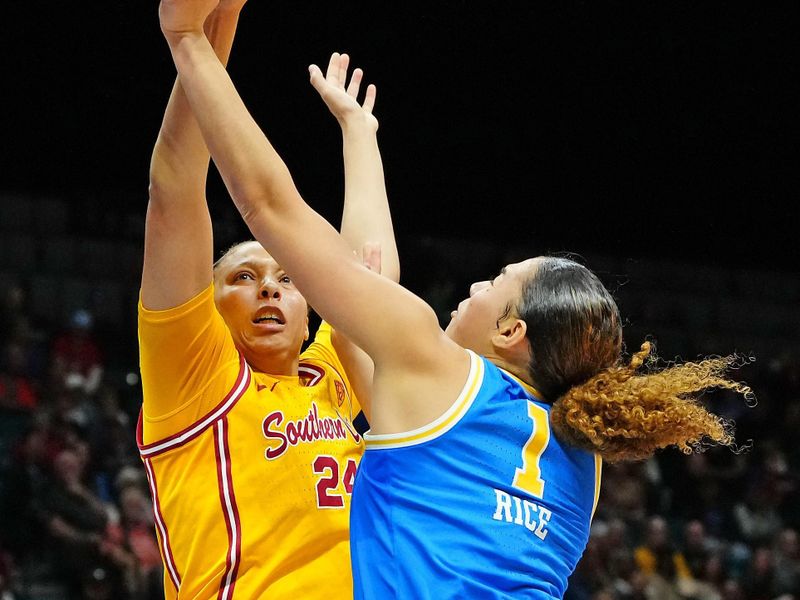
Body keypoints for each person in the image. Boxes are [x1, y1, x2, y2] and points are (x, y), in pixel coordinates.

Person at [156, 1, 753, 597]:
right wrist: (360, 137)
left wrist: (185, 37)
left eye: (494, 283)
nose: (473, 287)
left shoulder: (438, 372)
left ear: (510, 331)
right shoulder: (581, 450)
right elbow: (367, 283)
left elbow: (268, 204)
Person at [140, 1, 397, 598]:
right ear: (209, 306)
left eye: (285, 277)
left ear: (311, 311)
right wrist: (203, 40)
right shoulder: (195, 378)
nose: (270, 288)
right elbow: (173, 194)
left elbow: (370, 275)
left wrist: (360, 136)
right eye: (244, 277)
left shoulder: (328, 377)